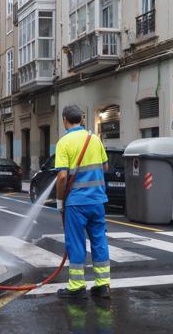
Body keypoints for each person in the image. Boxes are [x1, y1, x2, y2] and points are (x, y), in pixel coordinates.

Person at [55, 105, 110, 299]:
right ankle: (102, 285)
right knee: (99, 240)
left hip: (76, 203)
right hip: (97, 200)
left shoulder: (64, 142)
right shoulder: (94, 139)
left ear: (65, 120)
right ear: (81, 119)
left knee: (76, 242)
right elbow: (105, 166)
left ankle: (77, 286)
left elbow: (62, 176)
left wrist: (60, 200)